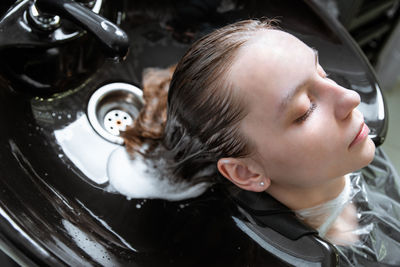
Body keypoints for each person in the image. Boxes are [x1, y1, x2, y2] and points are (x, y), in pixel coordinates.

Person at [122, 19, 400, 265]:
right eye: (305, 111)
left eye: (322, 72)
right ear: (246, 172)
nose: (351, 98)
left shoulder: (350, 150)